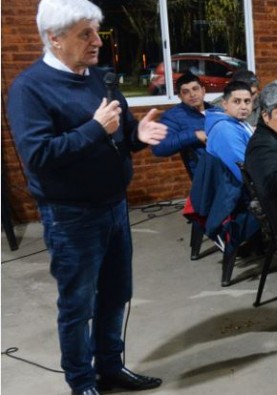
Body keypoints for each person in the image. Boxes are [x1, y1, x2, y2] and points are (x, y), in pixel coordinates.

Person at [7, 1, 168, 393]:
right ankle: (81, 382)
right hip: (71, 215)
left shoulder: (99, 79)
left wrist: (136, 136)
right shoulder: (30, 89)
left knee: (116, 293)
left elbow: (121, 132)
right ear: (54, 38)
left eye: (96, 31)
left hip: (114, 206)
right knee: (78, 304)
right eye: (85, 34)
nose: (97, 41)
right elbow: (39, 156)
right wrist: (95, 128)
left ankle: (110, 366)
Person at [152, 72, 215, 176]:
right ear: (180, 96)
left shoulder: (218, 112)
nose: (192, 94)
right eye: (186, 92)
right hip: (204, 178)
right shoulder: (173, 116)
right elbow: (159, 148)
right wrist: (195, 135)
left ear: (203, 91)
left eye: (195, 89)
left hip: (229, 173)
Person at [205, 81, 255, 182]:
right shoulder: (224, 130)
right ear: (224, 104)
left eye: (247, 101)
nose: (243, 107)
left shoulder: (238, 123)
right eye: (237, 101)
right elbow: (244, 173)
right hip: (238, 194)